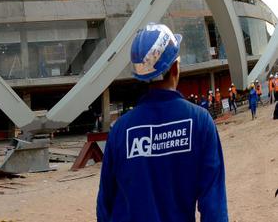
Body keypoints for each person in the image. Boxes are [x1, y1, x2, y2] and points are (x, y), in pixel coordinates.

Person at [96, 23, 227, 221]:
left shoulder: (120, 130)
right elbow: (214, 207)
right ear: (175, 67)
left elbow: (105, 204)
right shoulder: (200, 122)